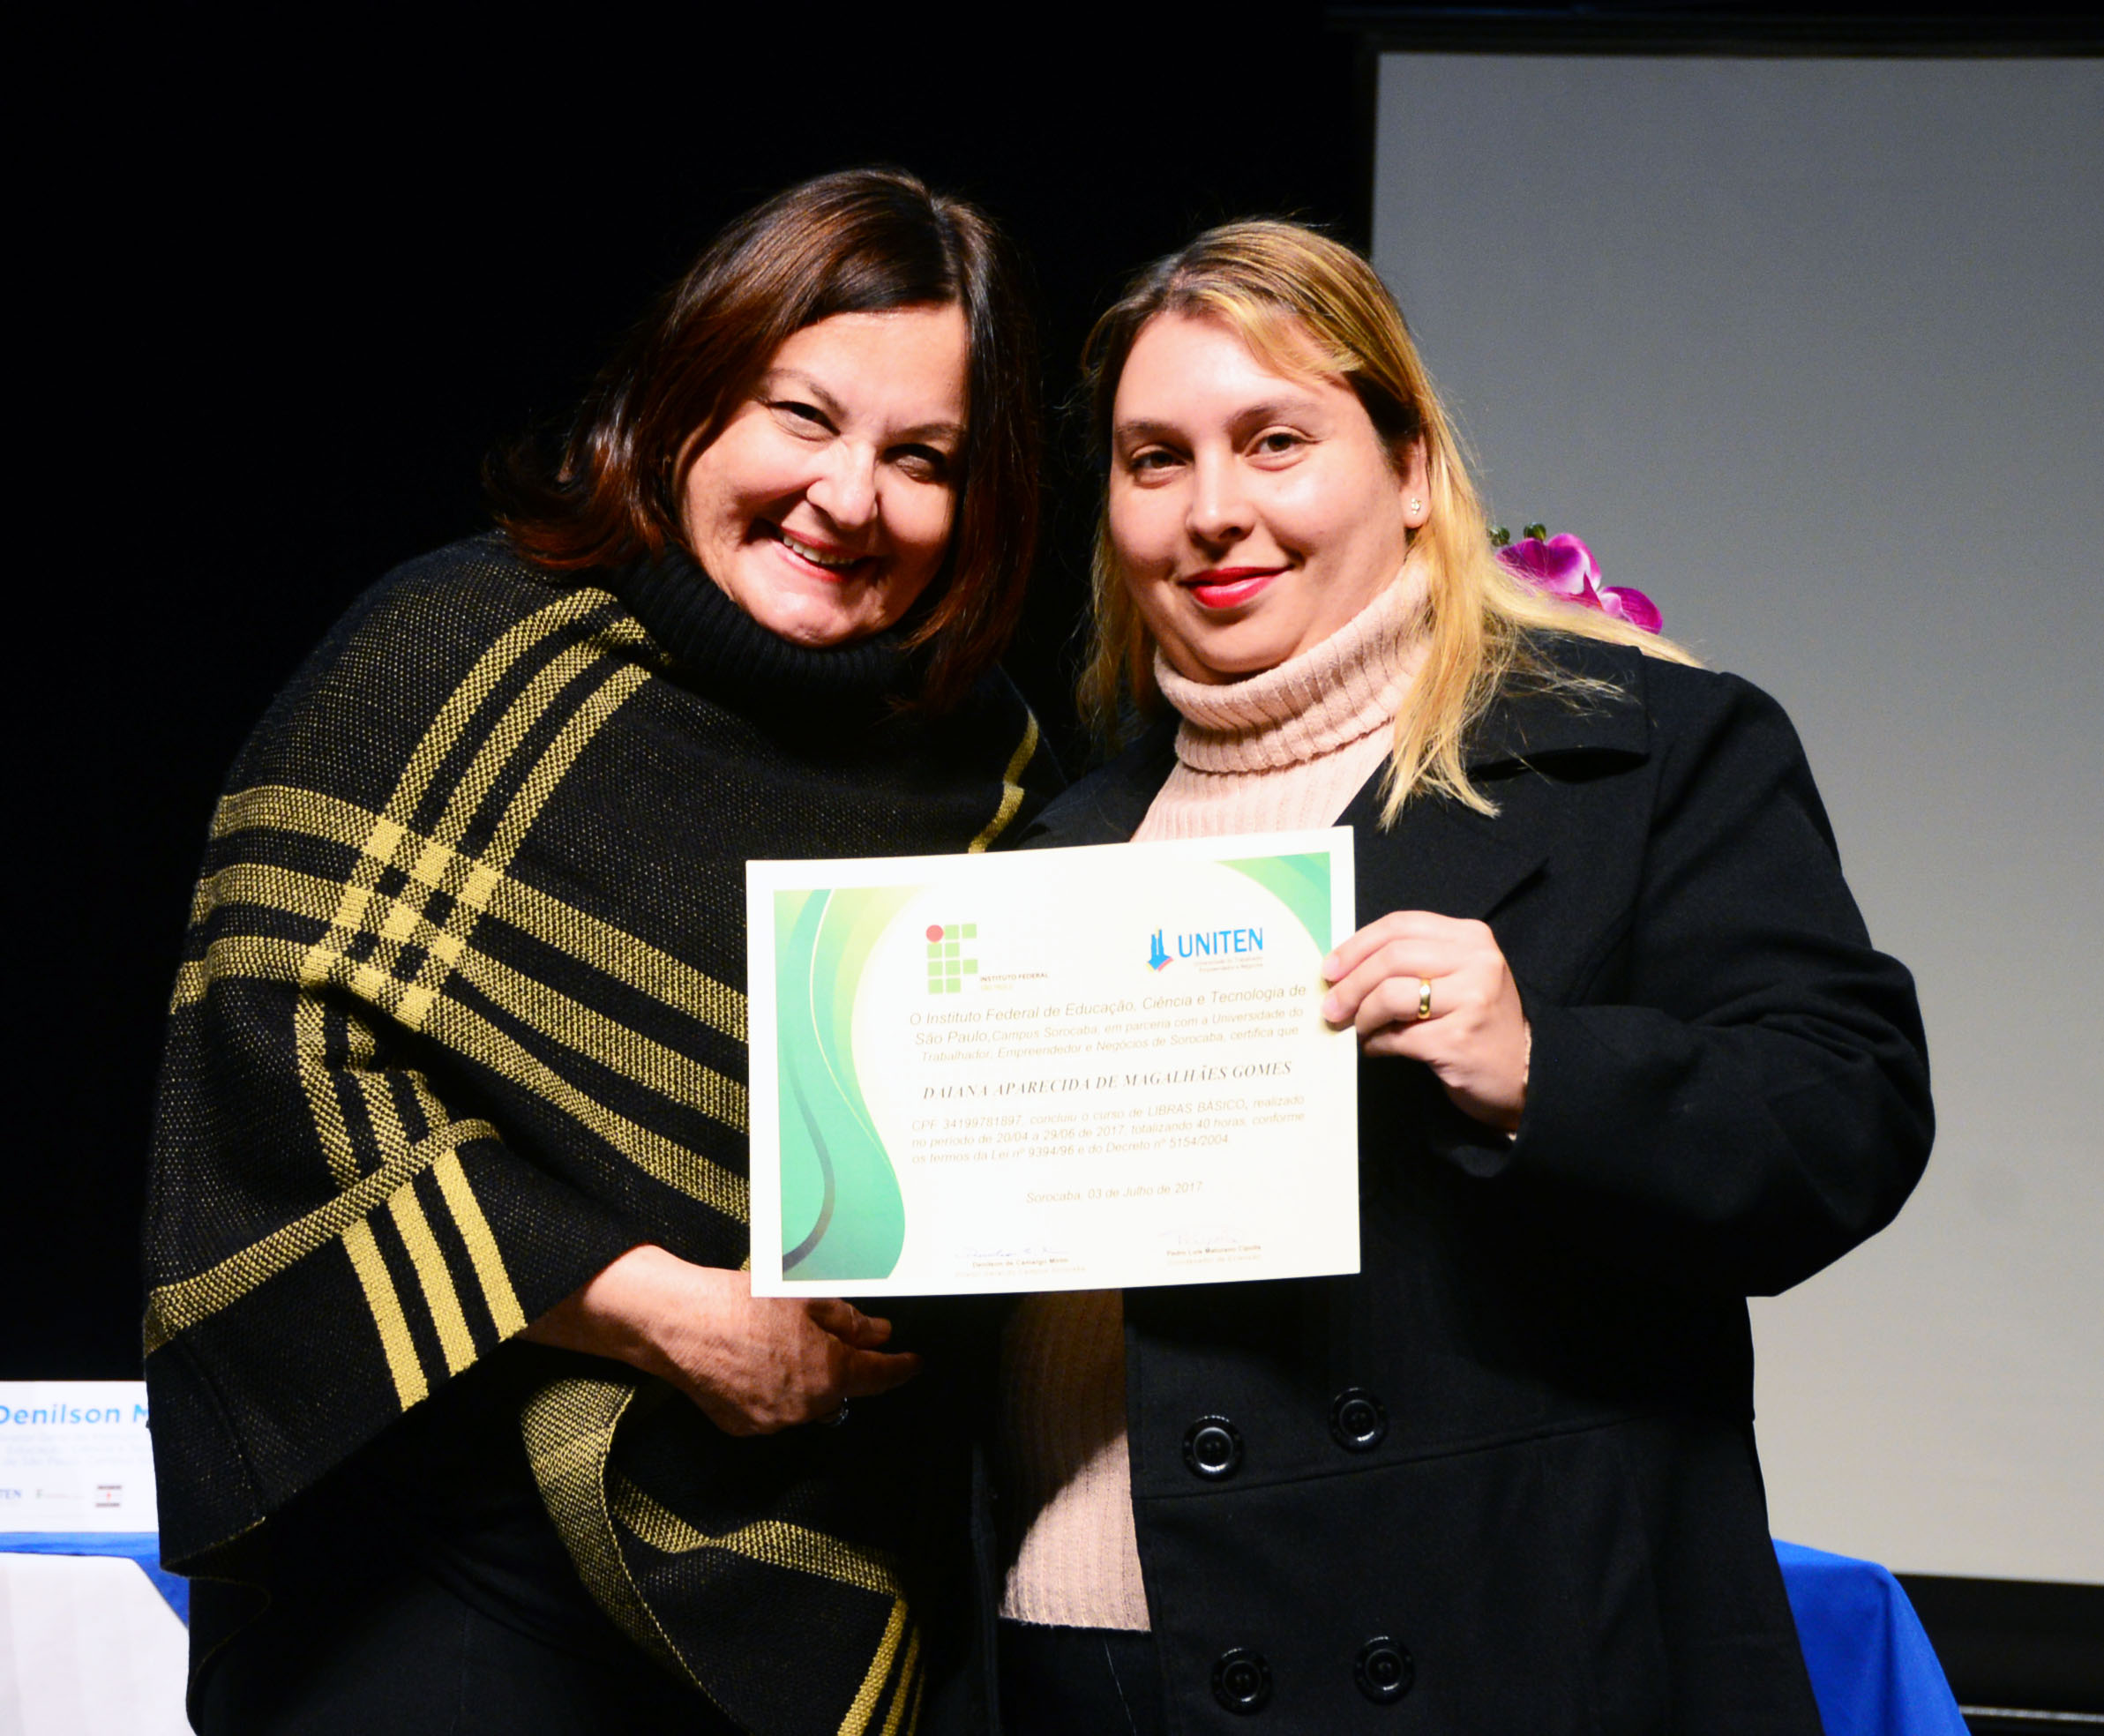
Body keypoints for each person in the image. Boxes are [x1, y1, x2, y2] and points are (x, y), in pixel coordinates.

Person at [143, 168, 1059, 1736]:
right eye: (803, 416)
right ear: (690, 400)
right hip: (434, 1559)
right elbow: (270, 1070)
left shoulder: (990, 772)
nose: (850, 499)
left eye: (923, 459)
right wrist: (661, 1310)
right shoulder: (455, 648)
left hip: (812, 1557)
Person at [996, 221, 1933, 1733]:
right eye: (1154, 459)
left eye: (1275, 441)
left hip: (1483, 1663)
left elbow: (1848, 1116)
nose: (1213, 511)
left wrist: (1538, 1069)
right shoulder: (1051, 848)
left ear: (1413, 470)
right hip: (1073, 1670)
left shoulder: (1642, 753)